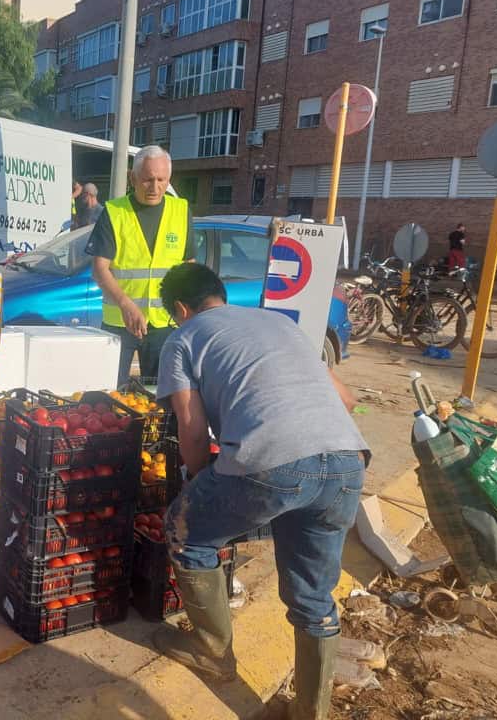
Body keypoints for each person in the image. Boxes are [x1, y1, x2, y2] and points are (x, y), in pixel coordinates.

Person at [153, 263, 368, 720]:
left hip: (271, 463)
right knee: (314, 597)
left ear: (179, 308)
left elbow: (192, 432)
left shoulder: (185, 336)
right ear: (221, 294)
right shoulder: (278, 323)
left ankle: (213, 652)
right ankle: (311, 712)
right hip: (348, 459)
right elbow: (347, 400)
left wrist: (199, 485)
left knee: (186, 531)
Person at [86, 145, 195, 387]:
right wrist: (126, 304)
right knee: (110, 392)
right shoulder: (114, 212)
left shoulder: (181, 210)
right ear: (132, 178)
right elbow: (100, 268)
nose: (155, 187)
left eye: (161, 180)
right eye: (147, 180)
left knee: (161, 398)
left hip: (164, 323)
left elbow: (188, 265)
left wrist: (187, 309)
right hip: (120, 322)